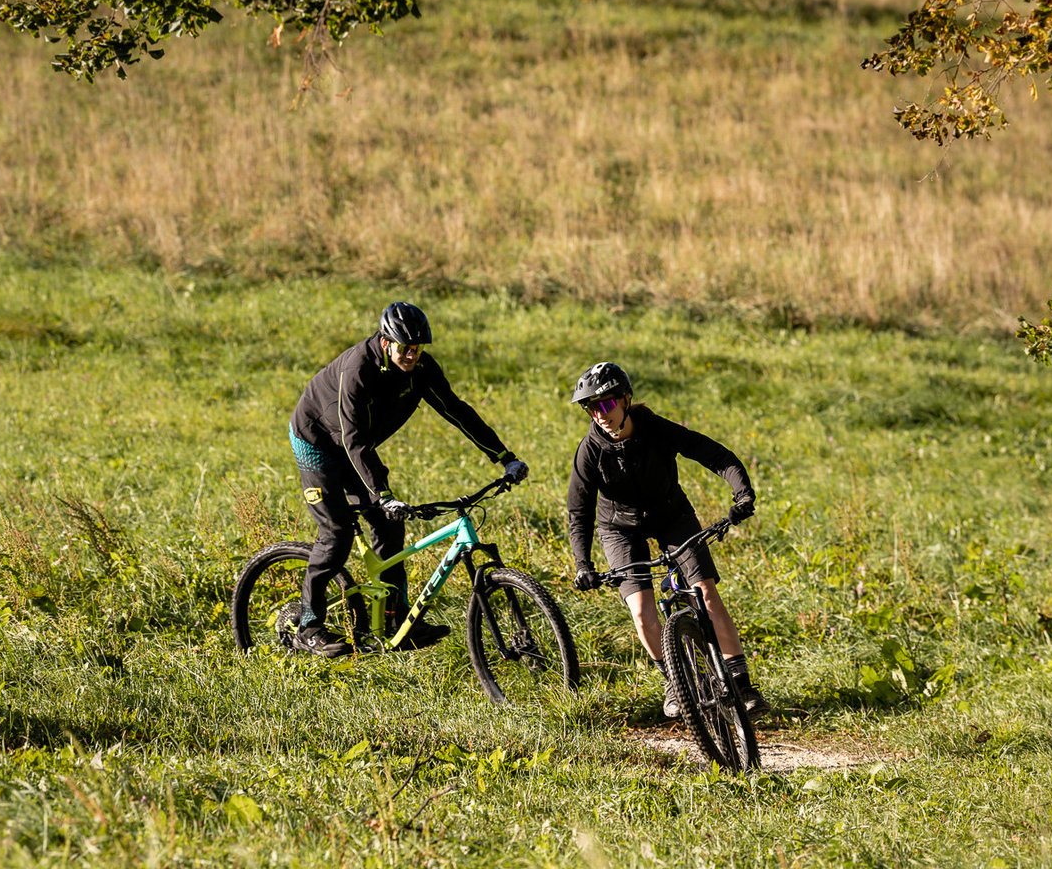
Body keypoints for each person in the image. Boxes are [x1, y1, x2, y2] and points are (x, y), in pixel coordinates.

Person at [289, 302, 528, 656]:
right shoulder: (359, 370)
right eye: (405, 348)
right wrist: (382, 493)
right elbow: (353, 439)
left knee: (389, 526)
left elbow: (456, 410)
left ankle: (393, 618)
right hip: (318, 444)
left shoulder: (420, 369)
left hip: (356, 447)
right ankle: (307, 626)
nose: (412, 355)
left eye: (418, 349)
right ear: (386, 342)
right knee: (337, 534)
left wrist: (504, 457)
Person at [566, 361, 766, 719]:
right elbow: (579, 512)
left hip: (671, 514)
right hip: (618, 528)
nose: (600, 415)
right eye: (591, 408)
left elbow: (714, 455)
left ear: (626, 400)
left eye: (606, 404)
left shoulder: (655, 429)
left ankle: (742, 683)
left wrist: (742, 494)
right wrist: (583, 564)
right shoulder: (590, 451)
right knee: (641, 612)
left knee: (704, 591)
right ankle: (674, 681)